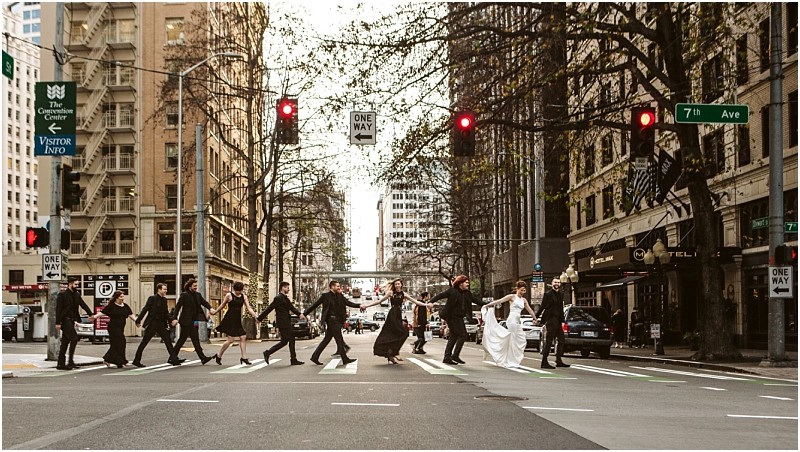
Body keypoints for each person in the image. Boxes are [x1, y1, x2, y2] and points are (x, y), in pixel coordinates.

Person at [361, 279, 432, 364]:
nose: (397, 285)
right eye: (396, 284)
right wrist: (367, 306)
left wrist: (427, 305)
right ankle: (395, 353)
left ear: (401, 285)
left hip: (398, 315)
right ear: (394, 285)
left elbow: (416, 302)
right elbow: (379, 301)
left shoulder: (404, 294)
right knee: (402, 332)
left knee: (401, 334)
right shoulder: (391, 293)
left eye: (399, 284)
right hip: (392, 314)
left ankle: (391, 355)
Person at [429, 275, 488, 365]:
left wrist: (487, 304)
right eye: (466, 282)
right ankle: (454, 356)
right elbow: (440, 295)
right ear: (460, 283)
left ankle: (447, 357)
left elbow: (476, 300)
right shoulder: (452, 291)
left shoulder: (467, 293)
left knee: (453, 336)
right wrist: (430, 302)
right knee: (463, 335)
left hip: (459, 317)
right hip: (451, 316)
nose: (468, 284)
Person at [304, 280, 362, 366]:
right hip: (331, 320)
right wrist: (304, 313)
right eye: (337, 286)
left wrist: (359, 305)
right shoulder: (325, 296)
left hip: (337, 321)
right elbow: (315, 305)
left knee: (327, 340)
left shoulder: (339, 296)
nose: (339, 288)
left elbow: (348, 303)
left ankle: (315, 357)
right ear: (332, 287)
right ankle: (345, 359)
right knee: (339, 340)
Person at [481, 281, 537, 368]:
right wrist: (488, 305)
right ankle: (510, 360)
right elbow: (500, 301)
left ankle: (512, 358)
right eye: (522, 290)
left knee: (520, 339)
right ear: (517, 289)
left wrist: (535, 318)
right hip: (511, 320)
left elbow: (530, 310)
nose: (523, 292)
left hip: (517, 321)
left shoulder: (524, 300)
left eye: (524, 290)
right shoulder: (512, 297)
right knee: (513, 340)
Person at [132, 283, 181, 367]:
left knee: (168, 341)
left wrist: (172, 319)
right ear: (159, 289)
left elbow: (166, 313)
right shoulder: (152, 298)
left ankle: (174, 359)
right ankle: (136, 360)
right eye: (164, 289)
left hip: (161, 324)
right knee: (144, 342)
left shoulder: (164, 300)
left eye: (166, 289)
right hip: (152, 323)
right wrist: (138, 320)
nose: (166, 291)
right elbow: (145, 309)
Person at [211, 282, 259, 365]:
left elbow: (249, 308)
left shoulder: (244, 297)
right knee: (230, 340)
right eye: (238, 291)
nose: (239, 292)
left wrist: (255, 316)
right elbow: (222, 305)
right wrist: (215, 312)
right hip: (229, 319)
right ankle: (218, 355)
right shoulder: (229, 295)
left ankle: (244, 358)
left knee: (243, 337)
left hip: (237, 320)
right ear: (234, 290)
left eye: (240, 291)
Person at [257, 281, 305, 366]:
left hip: (286, 321)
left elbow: (292, 308)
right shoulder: (278, 298)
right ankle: (292, 359)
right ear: (282, 288)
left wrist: (299, 314)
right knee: (289, 339)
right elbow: (270, 308)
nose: (288, 289)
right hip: (283, 322)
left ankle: (269, 353)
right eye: (287, 287)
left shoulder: (285, 298)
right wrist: (260, 318)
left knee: (285, 341)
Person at [55, 277, 95, 370]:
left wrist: (90, 314)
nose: (77, 286)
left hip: (72, 320)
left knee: (65, 341)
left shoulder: (76, 294)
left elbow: (83, 304)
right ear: (70, 284)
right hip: (65, 320)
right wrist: (58, 322)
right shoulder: (62, 295)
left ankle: (61, 364)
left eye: (78, 284)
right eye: (75, 284)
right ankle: (69, 362)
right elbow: (58, 309)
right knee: (74, 338)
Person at [171, 279, 214, 365]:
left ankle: (172, 357)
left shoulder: (198, 295)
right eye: (194, 286)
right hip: (185, 321)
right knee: (195, 339)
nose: (196, 287)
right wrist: (174, 318)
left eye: (196, 286)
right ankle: (202, 358)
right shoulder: (184, 295)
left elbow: (204, 302)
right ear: (189, 286)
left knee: (182, 340)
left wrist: (210, 308)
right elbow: (178, 307)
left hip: (192, 320)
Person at [91, 291, 137, 368]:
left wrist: (136, 321)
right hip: (113, 327)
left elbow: (130, 314)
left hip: (121, 327)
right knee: (122, 341)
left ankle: (108, 359)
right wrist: (94, 317)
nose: (122, 298)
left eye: (123, 296)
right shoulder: (111, 306)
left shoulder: (125, 306)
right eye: (121, 297)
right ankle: (121, 361)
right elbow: (102, 312)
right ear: (116, 298)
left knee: (115, 344)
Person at [536, 278, 569, 369]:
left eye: (558, 282)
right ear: (552, 283)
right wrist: (536, 317)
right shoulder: (548, 294)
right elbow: (542, 306)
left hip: (558, 321)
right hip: (550, 320)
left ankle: (558, 360)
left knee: (562, 340)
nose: (557, 284)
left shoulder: (561, 294)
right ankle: (544, 362)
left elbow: (561, 309)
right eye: (555, 282)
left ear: (560, 284)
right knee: (549, 341)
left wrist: (562, 321)